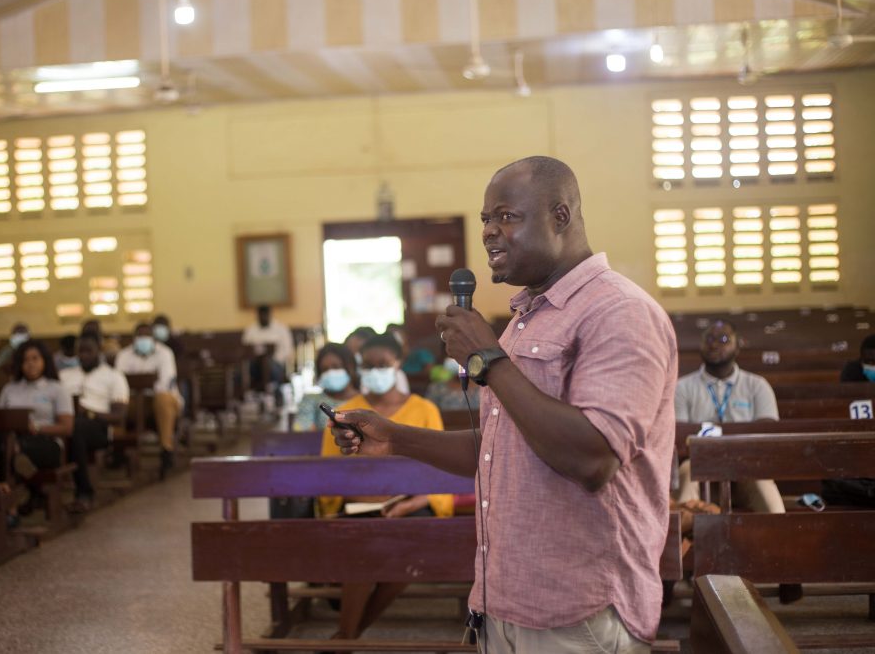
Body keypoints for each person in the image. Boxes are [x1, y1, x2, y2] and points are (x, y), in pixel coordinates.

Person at [331, 157, 675, 653]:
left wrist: (488, 359)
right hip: (505, 598)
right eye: (485, 220)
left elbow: (592, 458)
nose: (490, 232)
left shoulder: (619, 314)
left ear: (561, 216)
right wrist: (396, 437)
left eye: (507, 217)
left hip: (579, 608)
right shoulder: (526, 318)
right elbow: (503, 448)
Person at [319, 333, 452, 642]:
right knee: (364, 544)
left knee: (407, 550)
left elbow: (441, 471)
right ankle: (347, 636)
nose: (375, 371)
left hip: (411, 506)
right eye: (368, 365)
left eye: (382, 364)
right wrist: (367, 499)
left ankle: (345, 637)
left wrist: (409, 503)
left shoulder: (424, 409)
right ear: (359, 369)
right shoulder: (346, 413)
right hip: (357, 506)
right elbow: (328, 475)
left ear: (398, 364)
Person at [672, 320, 784, 513]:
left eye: (723, 339)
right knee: (688, 470)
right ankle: (681, 534)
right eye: (709, 339)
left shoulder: (757, 385)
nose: (714, 344)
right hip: (698, 464)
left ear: (737, 347)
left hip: (746, 467)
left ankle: (782, 535)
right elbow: (679, 438)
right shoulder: (682, 387)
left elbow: (767, 436)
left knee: (760, 478)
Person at [59, 333, 129, 511]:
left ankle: (84, 493)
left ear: (99, 351)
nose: (84, 355)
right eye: (80, 351)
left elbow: (118, 416)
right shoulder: (65, 375)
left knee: (77, 428)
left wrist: (89, 413)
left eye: (88, 351)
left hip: (98, 427)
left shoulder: (114, 376)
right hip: (65, 423)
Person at [0, 340, 74, 479]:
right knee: (5, 446)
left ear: (44, 361)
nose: (30, 363)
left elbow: (67, 428)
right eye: (25, 360)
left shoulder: (56, 388)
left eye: (35, 358)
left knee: (11, 451)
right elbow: (0, 418)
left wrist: (37, 428)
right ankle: (22, 476)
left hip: (46, 441)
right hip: (13, 438)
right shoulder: (10, 389)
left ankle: (20, 481)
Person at [114, 322, 182, 478]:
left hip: (159, 400)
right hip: (134, 401)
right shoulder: (124, 355)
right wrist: (143, 384)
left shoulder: (165, 353)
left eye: (147, 336)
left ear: (153, 338)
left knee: (163, 399)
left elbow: (165, 383)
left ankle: (166, 449)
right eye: (140, 336)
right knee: (117, 403)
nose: (143, 339)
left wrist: (141, 384)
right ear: (134, 338)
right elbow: (119, 384)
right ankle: (118, 449)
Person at [293, 343, 359, 432]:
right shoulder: (311, 400)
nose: (330, 372)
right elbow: (303, 435)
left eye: (336, 367)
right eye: (324, 369)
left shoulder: (368, 400)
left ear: (350, 367)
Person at [241, 305, 294, 404]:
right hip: (255, 366)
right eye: (261, 315)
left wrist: (272, 360)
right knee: (242, 372)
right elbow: (246, 349)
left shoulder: (281, 329)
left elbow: (286, 350)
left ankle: (276, 394)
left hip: (275, 365)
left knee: (270, 366)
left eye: (265, 315)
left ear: (269, 315)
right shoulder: (251, 330)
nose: (263, 317)